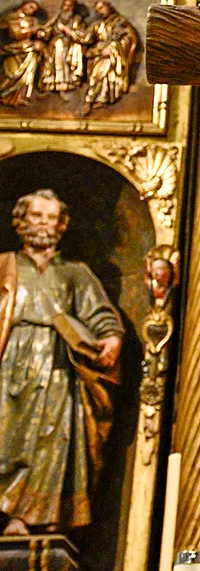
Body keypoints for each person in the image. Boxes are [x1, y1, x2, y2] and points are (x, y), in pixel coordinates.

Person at [0, 189, 123, 536]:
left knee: (51, 441)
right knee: (6, 438)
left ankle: (28, 517)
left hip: (56, 365)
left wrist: (110, 338)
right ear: (21, 221)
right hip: (8, 360)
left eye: (52, 218)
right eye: (37, 216)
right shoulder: (4, 265)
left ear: (62, 225)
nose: (44, 225)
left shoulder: (74, 272)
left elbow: (99, 312)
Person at [81, 0, 139, 114]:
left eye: (101, 7)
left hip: (112, 55)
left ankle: (90, 101)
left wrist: (113, 48)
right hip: (98, 55)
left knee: (100, 74)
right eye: (97, 10)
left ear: (108, 6)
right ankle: (99, 99)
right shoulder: (97, 24)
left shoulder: (120, 21)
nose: (100, 12)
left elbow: (130, 38)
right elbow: (86, 37)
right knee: (95, 75)